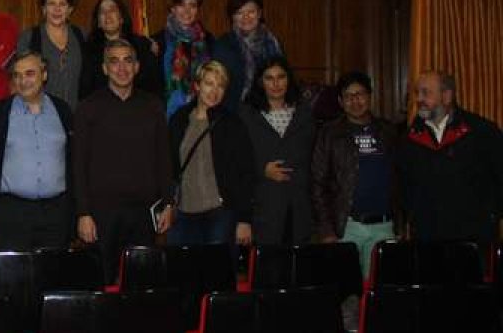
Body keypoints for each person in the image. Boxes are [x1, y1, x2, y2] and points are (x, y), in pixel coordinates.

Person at [73, 38, 173, 284]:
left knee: (142, 285)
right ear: (105, 68)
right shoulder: (88, 108)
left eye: (128, 60)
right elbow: (78, 165)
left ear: (137, 66)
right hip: (101, 214)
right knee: (101, 284)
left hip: (143, 212)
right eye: (114, 62)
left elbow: (164, 159)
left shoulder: (153, 106)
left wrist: (169, 204)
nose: (122, 68)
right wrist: (83, 212)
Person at [0, 51, 73, 250]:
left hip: (57, 213)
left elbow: (74, 162)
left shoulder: (63, 110)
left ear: (44, 75)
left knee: (54, 277)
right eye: (17, 75)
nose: (22, 81)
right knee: (15, 278)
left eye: (29, 73)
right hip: (12, 214)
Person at [396, 71, 503, 248]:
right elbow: (403, 186)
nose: (419, 99)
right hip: (428, 238)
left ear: (447, 96)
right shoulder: (409, 139)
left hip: (475, 237)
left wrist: (491, 215)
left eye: (426, 92)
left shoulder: (481, 132)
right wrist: (412, 216)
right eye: (417, 93)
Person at [311, 71, 399, 277]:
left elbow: (401, 178)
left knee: (378, 293)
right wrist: (326, 230)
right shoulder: (329, 133)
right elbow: (317, 183)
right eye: (348, 96)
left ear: (370, 96)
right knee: (345, 295)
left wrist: (401, 224)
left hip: (384, 227)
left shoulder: (389, 132)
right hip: (346, 227)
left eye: (360, 94)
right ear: (341, 102)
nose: (355, 101)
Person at [166, 62, 254, 251]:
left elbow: (246, 173)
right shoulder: (179, 119)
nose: (214, 91)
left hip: (220, 214)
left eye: (220, 86)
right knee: (182, 276)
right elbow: (168, 167)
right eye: (209, 83)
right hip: (183, 214)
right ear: (197, 86)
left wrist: (244, 219)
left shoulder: (233, 124)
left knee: (217, 276)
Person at [239, 56, 314, 246]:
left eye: (281, 77)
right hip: (263, 207)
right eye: (269, 78)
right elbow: (236, 161)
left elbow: (315, 158)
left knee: (298, 271)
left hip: (299, 207)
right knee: (268, 271)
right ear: (260, 82)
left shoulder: (304, 113)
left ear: (289, 80)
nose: (275, 84)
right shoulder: (246, 114)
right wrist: (262, 170)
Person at [17, 0, 90, 112]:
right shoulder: (29, 37)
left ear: (70, 9)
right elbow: (18, 82)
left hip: (77, 116)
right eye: (51, 4)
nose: (57, 9)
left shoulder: (82, 36)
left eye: (62, 4)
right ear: (43, 8)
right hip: (41, 115)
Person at [212, 0, 284, 115]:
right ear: (232, 17)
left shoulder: (273, 44)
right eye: (239, 13)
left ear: (260, 13)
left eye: (251, 11)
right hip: (233, 116)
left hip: (269, 114)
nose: (246, 17)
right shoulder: (223, 45)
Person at [152, 0, 214, 120]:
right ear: (172, 8)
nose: (187, 11)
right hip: (165, 115)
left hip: (201, 114)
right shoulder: (157, 41)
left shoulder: (208, 40)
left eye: (192, 5)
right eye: (181, 4)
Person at [84, 0, 162, 97]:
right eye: (102, 12)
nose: (107, 14)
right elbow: (86, 90)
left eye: (112, 10)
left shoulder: (142, 45)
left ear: (121, 18)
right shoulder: (89, 50)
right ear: (98, 22)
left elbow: (154, 86)